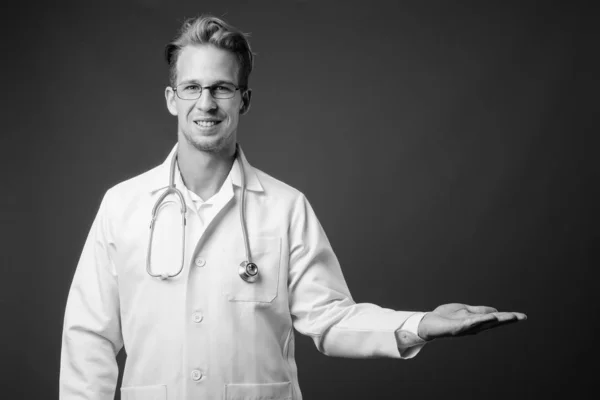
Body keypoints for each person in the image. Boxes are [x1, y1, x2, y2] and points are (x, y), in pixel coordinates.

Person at [59, 14, 526, 400]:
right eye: (192, 87)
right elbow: (90, 337)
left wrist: (420, 324)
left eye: (222, 88)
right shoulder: (122, 206)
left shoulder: (285, 208)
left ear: (244, 99)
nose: (206, 102)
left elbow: (331, 319)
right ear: (171, 99)